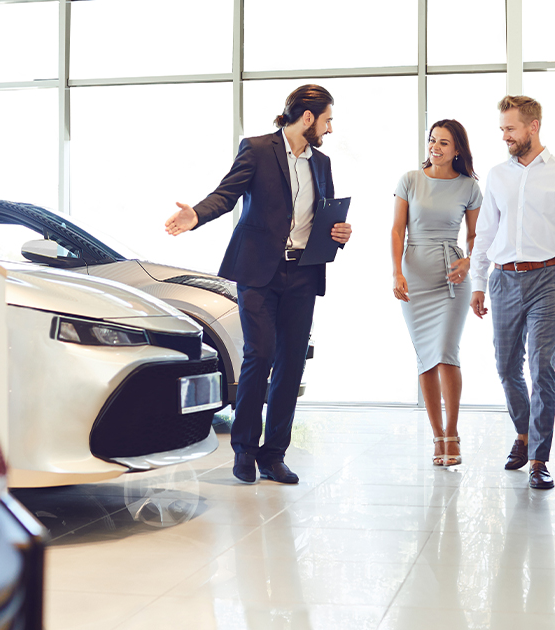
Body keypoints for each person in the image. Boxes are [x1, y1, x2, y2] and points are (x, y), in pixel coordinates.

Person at [164, 84, 352, 485]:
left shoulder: (322, 163)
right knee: (259, 355)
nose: (330, 129)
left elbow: (323, 216)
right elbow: (227, 194)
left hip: (303, 272)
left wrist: (338, 232)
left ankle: (274, 455)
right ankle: (244, 449)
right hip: (258, 273)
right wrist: (195, 215)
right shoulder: (257, 148)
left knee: (291, 364)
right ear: (308, 118)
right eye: (328, 120)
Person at [469, 95, 555, 490]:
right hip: (503, 279)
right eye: (502, 129)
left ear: (533, 126)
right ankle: (523, 436)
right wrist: (477, 282)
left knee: (542, 366)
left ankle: (540, 458)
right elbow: (485, 232)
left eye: (510, 128)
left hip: (549, 280)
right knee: (507, 367)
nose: (504, 136)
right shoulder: (497, 175)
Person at [391, 119, 482, 467]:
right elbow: (397, 230)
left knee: (446, 351)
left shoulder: (469, 186)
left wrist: (470, 262)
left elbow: (476, 236)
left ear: (457, 149)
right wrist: (396, 271)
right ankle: (437, 436)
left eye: (444, 142)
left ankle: (453, 432)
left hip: (452, 277)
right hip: (415, 275)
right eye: (432, 140)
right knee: (426, 357)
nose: (436, 147)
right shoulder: (410, 180)